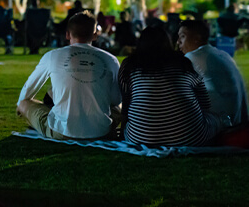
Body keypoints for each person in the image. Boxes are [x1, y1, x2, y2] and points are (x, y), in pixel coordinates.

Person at [17, 11, 121, 140]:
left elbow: (27, 91)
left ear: (67, 34)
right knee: (119, 107)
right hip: (101, 131)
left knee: (24, 104)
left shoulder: (52, 56)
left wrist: (21, 107)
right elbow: (117, 99)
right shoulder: (111, 60)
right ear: (95, 35)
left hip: (63, 131)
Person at [119, 26, 221, 146]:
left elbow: (125, 103)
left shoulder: (129, 65)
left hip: (141, 138)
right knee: (217, 119)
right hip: (190, 137)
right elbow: (205, 104)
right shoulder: (183, 62)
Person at [178, 20, 248, 128]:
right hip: (236, 125)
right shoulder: (224, 55)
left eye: (182, 37)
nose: (178, 42)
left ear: (197, 38)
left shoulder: (192, 57)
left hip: (217, 129)